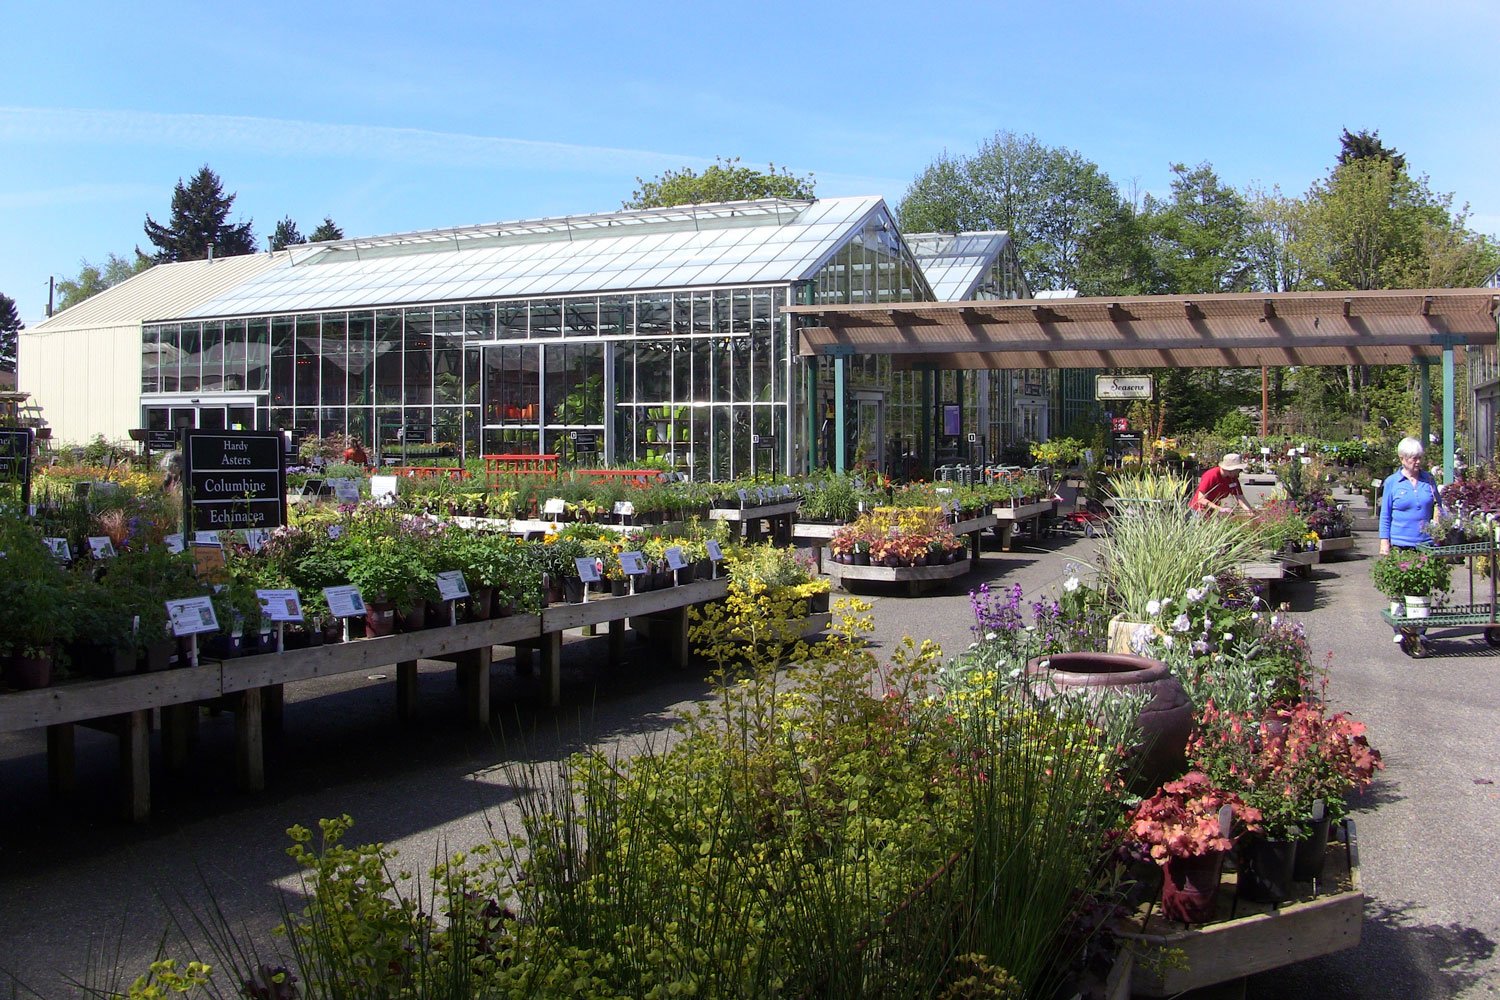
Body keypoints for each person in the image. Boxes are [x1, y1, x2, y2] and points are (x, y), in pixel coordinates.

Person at [1379, 436, 1444, 555]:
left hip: (1427, 543)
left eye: (1419, 458)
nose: (1418, 462)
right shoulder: (1392, 482)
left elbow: (1439, 508)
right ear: (1402, 459)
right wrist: (1384, 542)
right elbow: (1385, 515)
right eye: (1414, 458)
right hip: (1400, 544)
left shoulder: (1429, 479)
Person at [1189, 453, 1255, 515]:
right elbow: (1201, 499)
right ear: (1231, 470)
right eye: (1238, 470)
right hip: (1198, 510)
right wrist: (1221, 509)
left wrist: (1250, 512)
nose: (1239, 472)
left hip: (1212, 510)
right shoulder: (1211, 475)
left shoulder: (1233, 478)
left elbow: (1240, 498)